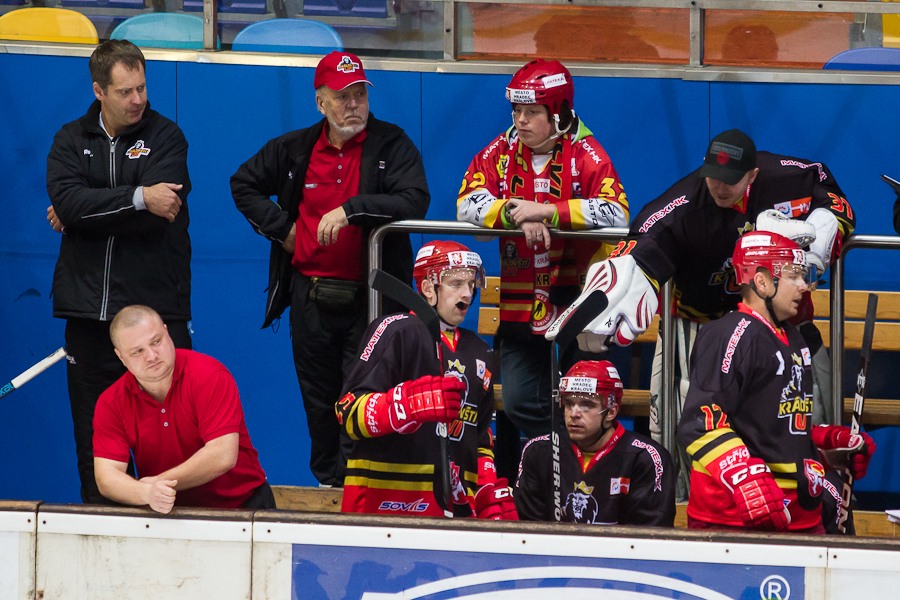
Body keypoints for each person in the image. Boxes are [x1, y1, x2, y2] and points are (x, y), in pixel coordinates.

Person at [561, 129, 855, 494]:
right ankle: (693, 507)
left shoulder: (787, 176)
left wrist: (826, 229)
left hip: (782, 328)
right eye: (713, 176)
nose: (720, 186)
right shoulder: (683, 206)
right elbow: (646, 235)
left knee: (805, 418)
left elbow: (832, 193)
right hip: (701, 331)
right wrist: (626, 265)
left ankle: (808, 500)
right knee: (687, 430)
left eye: (731, 179)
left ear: (753, 175)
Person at [231, 51, 430, 487]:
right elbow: (243, 184)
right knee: (319, 403)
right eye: (342, 97)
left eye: (360, 94)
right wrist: (283, 231)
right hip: (311, 297)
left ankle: (357, 487)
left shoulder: (391, 144)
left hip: (371, 300)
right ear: (320, 102)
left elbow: (414, 200)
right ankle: (327, 487)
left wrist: (351, 210)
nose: (354, 105)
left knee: (363, 398)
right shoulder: (295, 148)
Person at [456, 59, 629, 480]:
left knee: (586, 395)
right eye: (516, 110)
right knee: (517, 401)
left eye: (532, 112)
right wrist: (514, 213)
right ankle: (562, 464)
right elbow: (466, 204)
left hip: (580, 303)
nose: (520, 120)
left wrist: (549, 212)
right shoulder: (501, 151)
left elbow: (617, 213)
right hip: (519, 304)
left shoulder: (586, 151)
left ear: (560, 113)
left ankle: (574, 473)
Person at [46, 39, 193, 504]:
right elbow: (68, 202)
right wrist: (137, 196)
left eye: (142, 88)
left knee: (169, 448)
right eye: (126, 91)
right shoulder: (70, 139)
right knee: (95, 451)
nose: (137, 100)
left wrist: (82, 214)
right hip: (87, 318)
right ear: (99, 91)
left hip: (155, 316)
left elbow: (158, 214)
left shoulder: (167, 137)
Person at [677, 232, 875, 532]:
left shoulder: (793, 337)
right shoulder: (728, 334)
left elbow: (774, 427)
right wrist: (745, 478)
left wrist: (827, 445)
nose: (804, 285)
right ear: (762, 282)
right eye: (794, 276)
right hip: (731, 520)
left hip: (799, 516)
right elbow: (700, 423)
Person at [336, 241, 515, 520]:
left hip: (454, 509)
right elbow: (347, 412)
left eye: (471, 284)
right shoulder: (395, 331)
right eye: (456, 283)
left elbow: (480, 438)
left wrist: (485, 490)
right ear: (429, 288)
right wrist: (404, 406)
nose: (468, 293)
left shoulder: (481, 352)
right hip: (384, 504)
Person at [93, 305, 274, 513]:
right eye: (137, 351)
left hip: (243, 507)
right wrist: (146, 493)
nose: (151, 356)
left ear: (167, 332)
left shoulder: (209, 375)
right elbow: (107, 477)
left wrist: (159, 484)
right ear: (121, 357)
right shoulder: (111, 402)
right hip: (168, 513)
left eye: (156, 341)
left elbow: (222, 455)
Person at [515, 360, 675, 526]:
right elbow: (529, 531)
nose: (574, 414)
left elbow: (650, 535)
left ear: (611, 411)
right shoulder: (539, 452)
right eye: (569, 404)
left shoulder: (646, 458)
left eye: (587, 405)